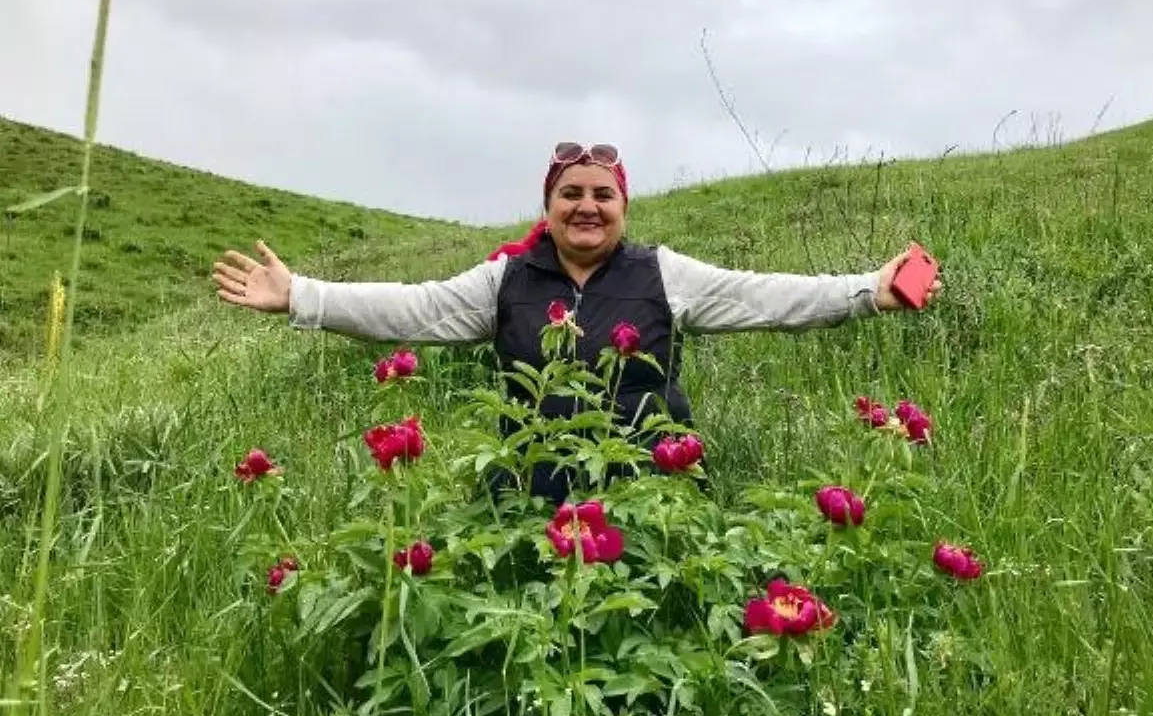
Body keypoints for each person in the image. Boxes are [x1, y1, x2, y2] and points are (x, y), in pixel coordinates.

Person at [212, 141, 941, 504]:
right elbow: (416, 307)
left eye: (602, 194)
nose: (586, 206)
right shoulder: (506, 279)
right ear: (548, 206)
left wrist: (865, 290)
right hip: (531, 495)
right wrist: (302, 296)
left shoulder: (663, 274)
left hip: (654, 491)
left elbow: (763, 297)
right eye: (570, 194)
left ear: (623, 207)